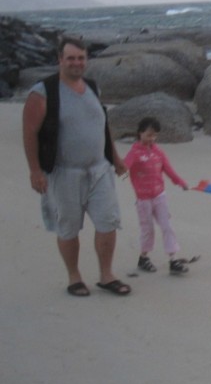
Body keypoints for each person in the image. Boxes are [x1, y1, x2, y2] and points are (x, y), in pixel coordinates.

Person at [22, 37, 131, 297]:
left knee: (108, 223)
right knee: (68, 228)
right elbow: (29, 132)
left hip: (99, 170)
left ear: (86, 60)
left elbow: (102, 126)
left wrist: (115, 158)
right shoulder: (43, 92)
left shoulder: (92, 87)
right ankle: (74, 277)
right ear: (60, 59)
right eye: (70, 58)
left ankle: (106, 275)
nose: (76, 63)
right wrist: (35, 171)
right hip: (64, 173)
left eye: (81, 58)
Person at [124, 117, 190, 274]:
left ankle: (173, 260)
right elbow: (124, 166)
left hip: (159, 196)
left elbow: (168, 170)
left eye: (154, 135)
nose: (152, 138)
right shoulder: (134, 152)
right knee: (148, 229)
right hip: (143, 199)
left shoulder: (158, 152)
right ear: (140, 133)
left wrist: (180, 182)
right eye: (149, 135)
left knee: (167, 226)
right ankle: (143, 257)